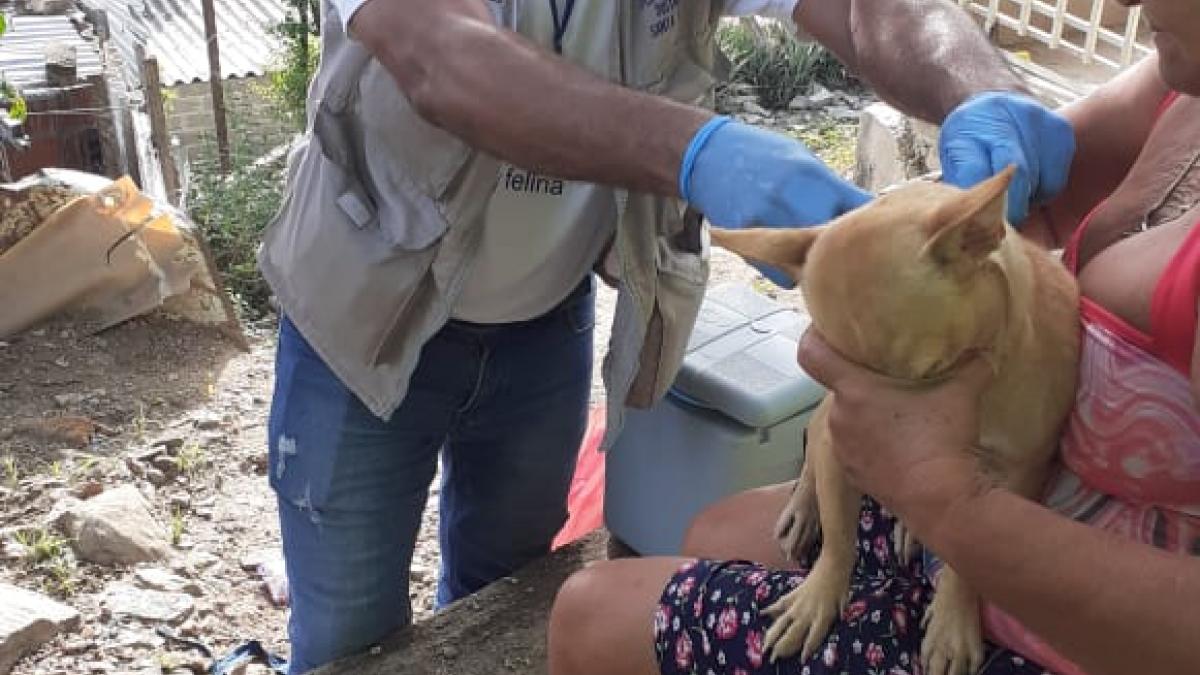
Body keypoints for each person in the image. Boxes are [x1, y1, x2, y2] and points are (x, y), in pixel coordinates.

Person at [256, 0, 1075, 672]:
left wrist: (982, 92)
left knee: (494, 596)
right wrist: (692, 148)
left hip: (544, 327)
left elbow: (870, 10)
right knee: (347, 641)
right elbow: (442, 57)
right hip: (363, 335)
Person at [546, 0, 1200, 673]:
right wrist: (988, 111)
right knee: (712, 529)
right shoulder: (1181, 77)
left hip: (1078, 601)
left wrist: (949, 504)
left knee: (590, 614)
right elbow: (1029, 189)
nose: (1119, 5)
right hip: (1034, 495)